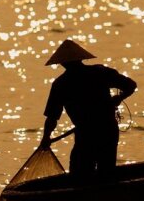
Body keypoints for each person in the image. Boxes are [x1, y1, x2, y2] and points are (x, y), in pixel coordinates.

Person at [40, 39, 137, 179]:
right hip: (106, 130)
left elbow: (52, 117)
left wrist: (46, 137)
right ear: (80, 58)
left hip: (87, 134)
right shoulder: (100, 73)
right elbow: (130, 85)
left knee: (80, 175)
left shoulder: (61, 84)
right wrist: (118, 99)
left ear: (62, 63)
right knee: (106, 173)